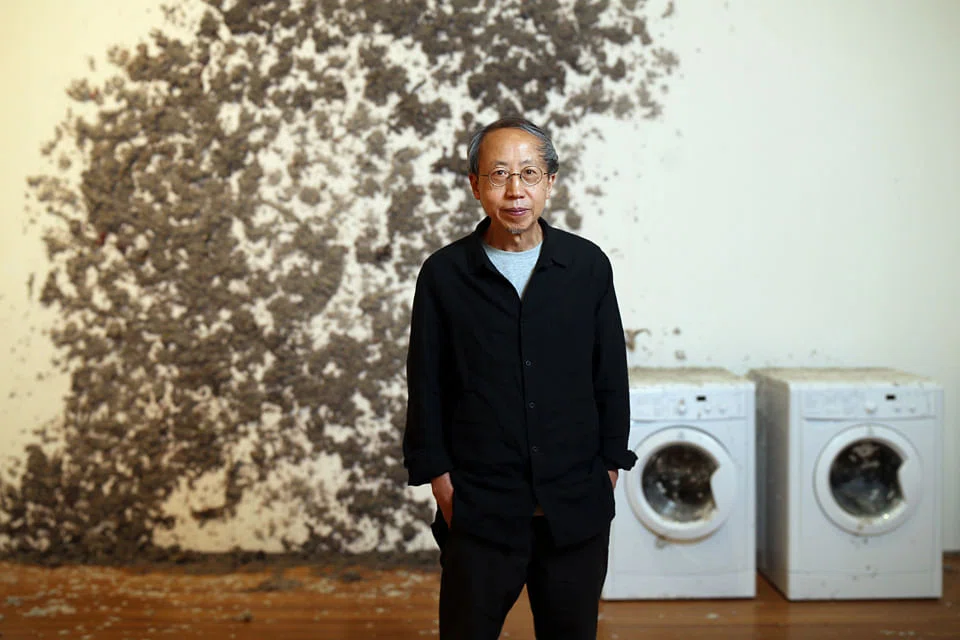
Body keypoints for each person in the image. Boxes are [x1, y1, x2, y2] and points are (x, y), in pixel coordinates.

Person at [403, 116, 637, 640]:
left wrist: (608, 468)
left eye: (529, 173)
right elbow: (427, 384)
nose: (515, 190)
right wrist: (441, 483)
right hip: (479, 506)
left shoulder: (587, 266)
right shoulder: (443, 274)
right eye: (499, 174)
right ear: (475, 184)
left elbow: (610, 376)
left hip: (574, 505)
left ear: (550, 182)